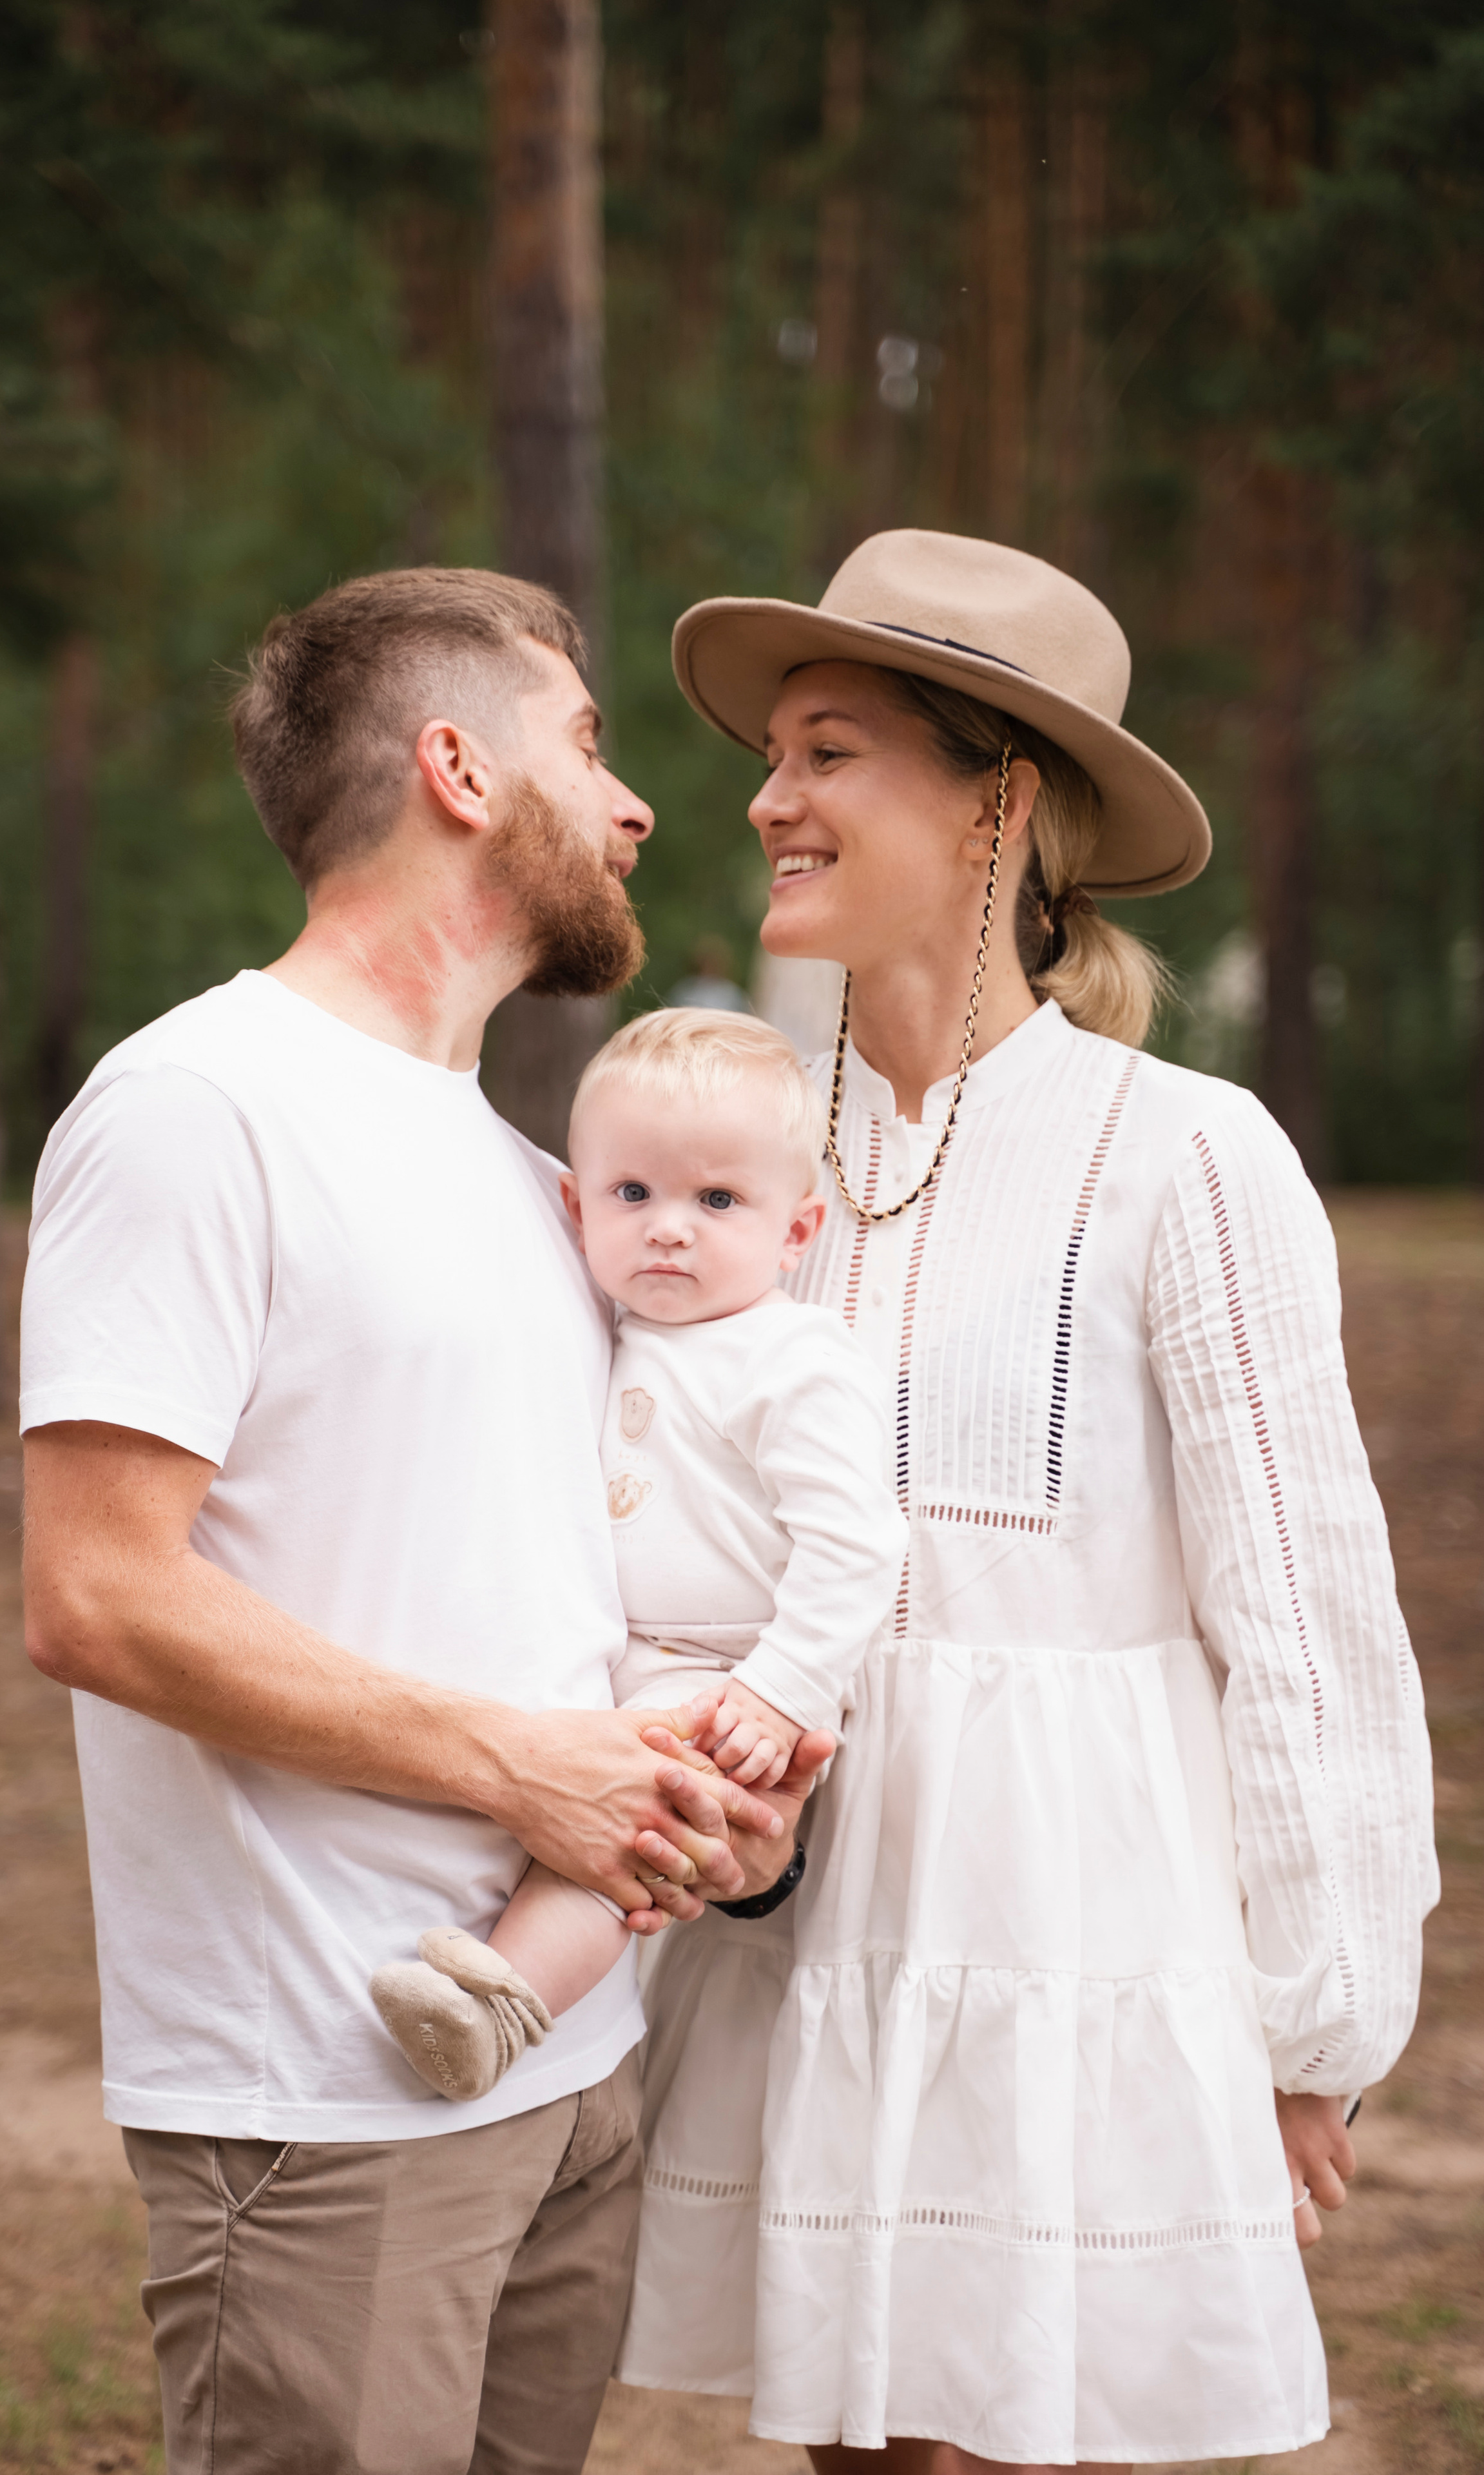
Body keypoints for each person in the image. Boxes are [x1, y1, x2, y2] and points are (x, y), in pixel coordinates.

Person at [617, 529, 1439, 2471]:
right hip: (792, 1921)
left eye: (829, 753)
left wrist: (1316, 2025)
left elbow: (1301, 1612)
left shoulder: (1185, 1153)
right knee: (845, 2446)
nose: (768, 799)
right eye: (773, 757)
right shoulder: (738, 1150)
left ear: (998, 800)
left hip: (1067, 1932)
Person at [18, 567, 820, 2475]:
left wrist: (711, 1787)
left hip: (569, 2059)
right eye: (591, 746)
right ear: (459, 769)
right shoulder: (198, 1108)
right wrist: (521, 1771)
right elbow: (94, 1597)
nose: (636, 807)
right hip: (326, 2090)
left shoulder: (541, 1180)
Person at [369, 1008, 907, 2101]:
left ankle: (500, 2009)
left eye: (717, 1201)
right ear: (576, 1207)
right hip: (624, 1655)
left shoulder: (793, 1359)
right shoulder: (602, 1331)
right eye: (633, 1194)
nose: (669, 1229)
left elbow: (857, 1545)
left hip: (728, 1677)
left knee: (629, 1832)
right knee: (576, 1805)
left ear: (796, 1231)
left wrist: (781, 1688)